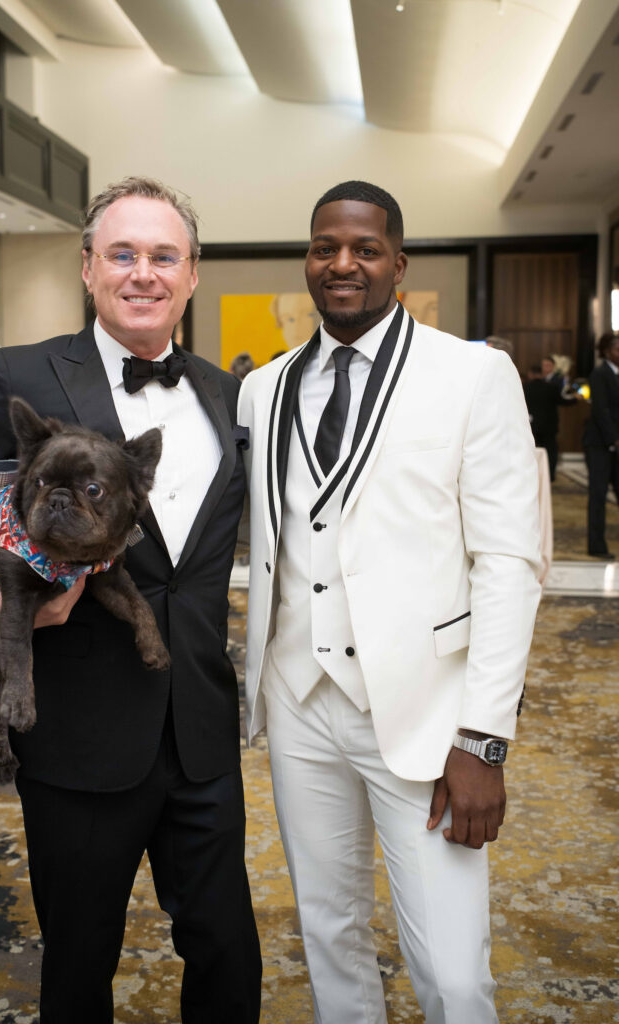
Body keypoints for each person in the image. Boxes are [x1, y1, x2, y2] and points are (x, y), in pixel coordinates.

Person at [0, 176, 261, 1023]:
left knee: (229, 956)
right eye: (121, 253)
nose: (143, 273)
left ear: (192, 275)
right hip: (78, 744)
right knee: (80, 966)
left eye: (165, 256)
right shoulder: (18, 375)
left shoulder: (231, 395)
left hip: (200, 729)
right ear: (87, 268)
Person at [238, 180, 541, 1023]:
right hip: (298, 701)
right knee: (328, 934)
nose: (343, 263)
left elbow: (509, 564)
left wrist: (485, 739)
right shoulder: (263, 391)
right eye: (325, 247)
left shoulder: (474, 374)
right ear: (307, 260)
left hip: (426, 714)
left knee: (450, 972)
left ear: (397, 264)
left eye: (364, 249)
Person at [583, 332, 619, 558]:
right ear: (607, 351)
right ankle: (596, 546)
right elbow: (601, 410)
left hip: (615, 444)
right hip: (599, 445)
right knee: (598, 495)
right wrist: (614, 438)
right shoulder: (600, 374)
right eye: (617, 349)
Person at [523, 361, 576, 481]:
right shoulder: (551, 387)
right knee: (551, 452)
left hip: (531, 425)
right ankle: (550, 476)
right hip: (549, 426)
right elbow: (564, 401)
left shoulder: (525, 387)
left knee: (531, 450)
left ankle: (531, 476)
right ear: (542, 374)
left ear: (530, 374)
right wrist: (577, 399)